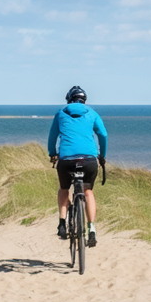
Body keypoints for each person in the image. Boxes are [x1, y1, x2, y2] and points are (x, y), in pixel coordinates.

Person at [47, 85, 108, 247]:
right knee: (88, 190)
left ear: (69, 99)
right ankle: (92, 229)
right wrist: (102, 155)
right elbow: (103, 135)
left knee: (64, 189)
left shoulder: (60, 114)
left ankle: (62, 222)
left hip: (66, 160)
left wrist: (52, 153)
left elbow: (52, 137)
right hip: (89, 160)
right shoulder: (92, 114)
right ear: (84, 100)